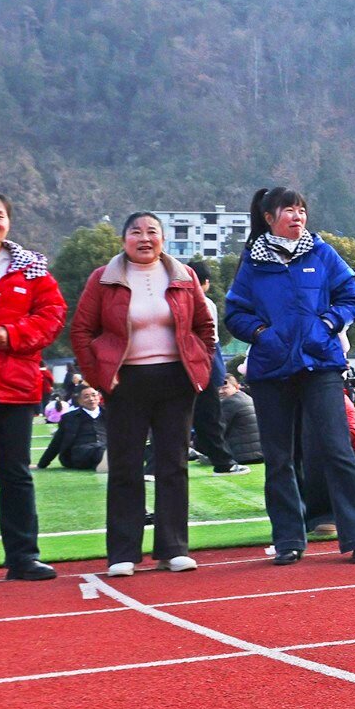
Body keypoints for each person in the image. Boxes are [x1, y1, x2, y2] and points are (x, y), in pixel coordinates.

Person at [225, 187, 355, 565]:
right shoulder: (253, 262)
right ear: (269, 217)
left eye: (301, 210)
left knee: (336, 448)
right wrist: (262, 334)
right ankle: (289, 540)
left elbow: (350, 297)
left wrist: (327, 324)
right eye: (289, 210)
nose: (297, 216)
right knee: (279, 458)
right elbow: (235, 313)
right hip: (271, 371)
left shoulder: (322, 253)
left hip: (320, 365)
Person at [71, 212, 216, 576]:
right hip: (126, 382)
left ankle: (173, 548)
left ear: (163, 240)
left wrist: (199, 365)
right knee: (125, 466)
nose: (145, 238)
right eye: (136, 232)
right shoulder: (103, 278)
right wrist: (99, 377)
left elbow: (205, 326)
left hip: (176, 381)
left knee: (173, 464)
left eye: (152, 231)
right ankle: (123, 553)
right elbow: (82, 330)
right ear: (124, 241)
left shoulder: (184, 275)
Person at [0, 190, 66, 590]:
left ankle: (23, 558)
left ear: (8, 222)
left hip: (14, 387)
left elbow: (52, 316)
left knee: (16, 475)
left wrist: (9, 334)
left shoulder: (32, 269)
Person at [187, 261, 247, 476]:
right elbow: (211, 341)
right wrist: (216, 373)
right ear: (206, 282)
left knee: (178, 416)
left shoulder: (175, 300)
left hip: (183, 364)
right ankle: (223, 462)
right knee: (210, 417)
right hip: (203, 364)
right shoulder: (205, 303)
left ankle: (154, 466)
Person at [37, 385, 108, 470]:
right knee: (101, 452)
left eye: (94, 395)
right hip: (80, 453)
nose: (91, 399)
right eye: (86, 396)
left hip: (105, 448)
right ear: (79, 401)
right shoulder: (69, 417)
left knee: (107, 450)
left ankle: (104, 464)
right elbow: (57, 442)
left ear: (99, 397)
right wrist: (42, 464)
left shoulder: (109, 415)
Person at [218, 375, 263, 463]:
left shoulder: (230, 402)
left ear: (236, 386)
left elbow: (217, 429)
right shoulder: (247, 398)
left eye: (225, 388)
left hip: (242, 456)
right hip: (258, 453)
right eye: (218, 388)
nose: (220, 391)